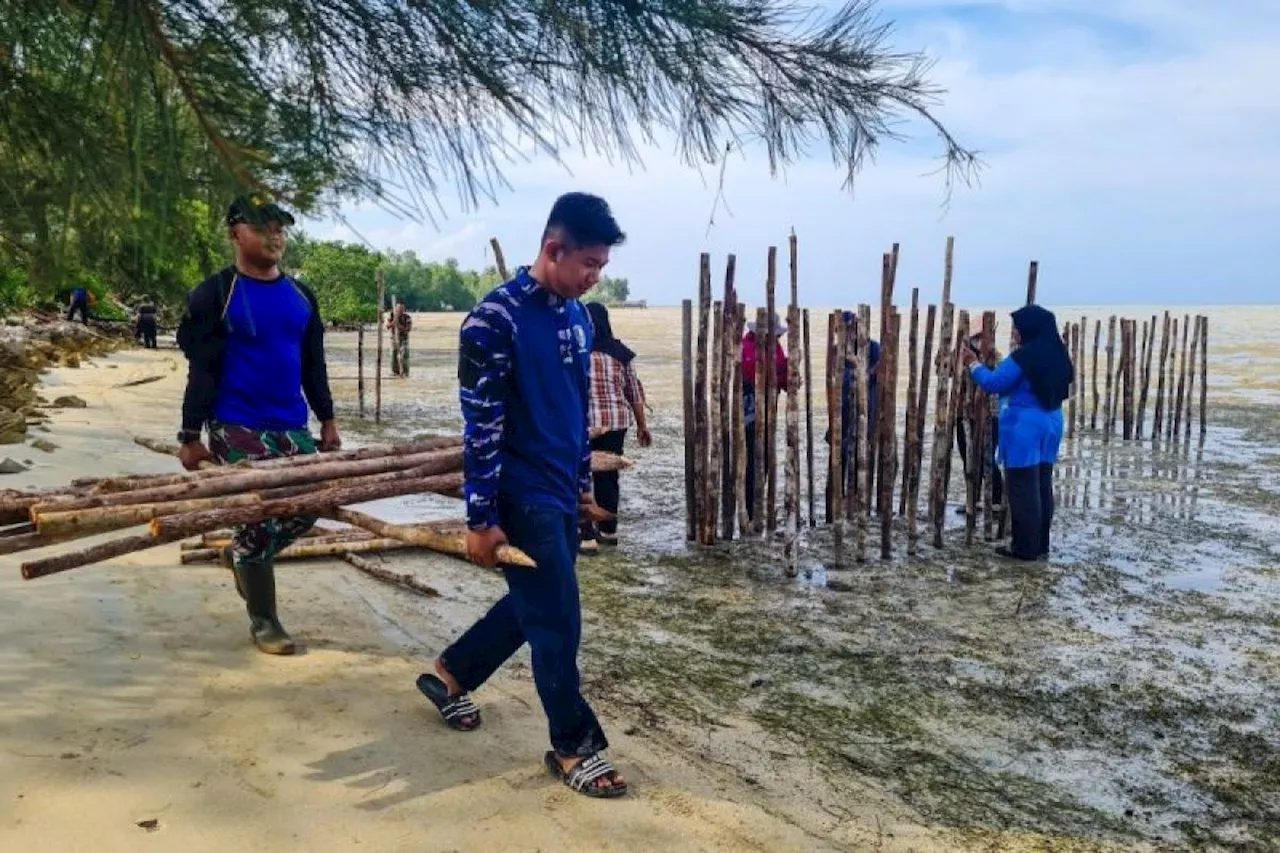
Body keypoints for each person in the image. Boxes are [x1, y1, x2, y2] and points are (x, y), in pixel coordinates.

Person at [417, 192, 628, 798]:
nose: (594, 278)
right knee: (558, 618)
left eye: (602, 268)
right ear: (552, 248)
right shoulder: (494, 320)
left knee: (533, 604)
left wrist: (584, 483)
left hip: (561, 488)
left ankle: (452, 673)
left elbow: (576, 408)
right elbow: (480, 426)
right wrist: (480, 518)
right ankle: (573, 745)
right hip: (520, 490)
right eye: (588, 264)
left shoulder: (578, 318)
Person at [175, 195, 341, 654]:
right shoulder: (215, 294)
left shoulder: (302, 296)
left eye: (282, 229)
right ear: (235, 232)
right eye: (263, 227)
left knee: (313, 503)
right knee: (264, 510)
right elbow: (202, 367)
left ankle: (242, 551)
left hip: (292, 424)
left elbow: (314, 365)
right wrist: (189, 435)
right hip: (236, 423)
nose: (275, 237)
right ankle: (265, 620)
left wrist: (327, 420)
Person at [962, 304, 1072, 561]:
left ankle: (1024, 549)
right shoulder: (1058, 354)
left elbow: (994, 383)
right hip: (1053, 422)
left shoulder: (1023, 357)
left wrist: (973, 364)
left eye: (1018, 329)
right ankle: (1041, 544)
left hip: (1025, 427)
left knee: (1023, 488)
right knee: (1043, 484)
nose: (1015, 333)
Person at [579, 301, 652, 553]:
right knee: (608, 476)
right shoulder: (621, 354)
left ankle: (586, 536)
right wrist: (643, 426)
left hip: (581, 424)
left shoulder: (576, 351)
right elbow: (634, 394)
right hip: (615, 423)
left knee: (579, 477)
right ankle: (609, 531)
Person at [824, 312, 880, 519]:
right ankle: (834, 511)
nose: (847, 334)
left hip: (864, 416)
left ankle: (856, 508)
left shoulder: (872, 348)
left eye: (850, 329)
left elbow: (882, 367)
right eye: (843, 330)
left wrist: (864, 373)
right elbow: (830, 377)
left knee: (860, 465)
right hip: (841, 417)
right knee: (837, 465)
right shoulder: (835, 351)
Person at [742, 313, 789, 520]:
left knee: (766, 459)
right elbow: (756, 373)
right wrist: (781, 373)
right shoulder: (745, 347)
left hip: (768, 413)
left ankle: (758, 507)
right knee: (751, 462)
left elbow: (783, 379)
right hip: (747, 415)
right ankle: (750, 512)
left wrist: (788, 373)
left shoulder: (775, 347)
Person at [955, 335, 1005, 514]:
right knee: (968, 458)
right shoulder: (959, 359)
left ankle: (996, 500)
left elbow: (995, 382)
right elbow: (941, 367)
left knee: (987, 458)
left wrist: (978, 362)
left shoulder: (995, 360)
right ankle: (973, 499)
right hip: (964, 416)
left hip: (989, 416)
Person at [388, 300, 412, 377]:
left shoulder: (407, 317)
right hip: (394, 338)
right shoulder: (392, 316)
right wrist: (394, 320)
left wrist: (398, 325)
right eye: (399, 309)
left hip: (404, 339)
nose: (400, 310)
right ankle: (395, 373)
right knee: (393, 356)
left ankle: (405, 373)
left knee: (404, 355)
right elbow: (388, 326)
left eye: (402, 309)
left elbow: (407, 330)